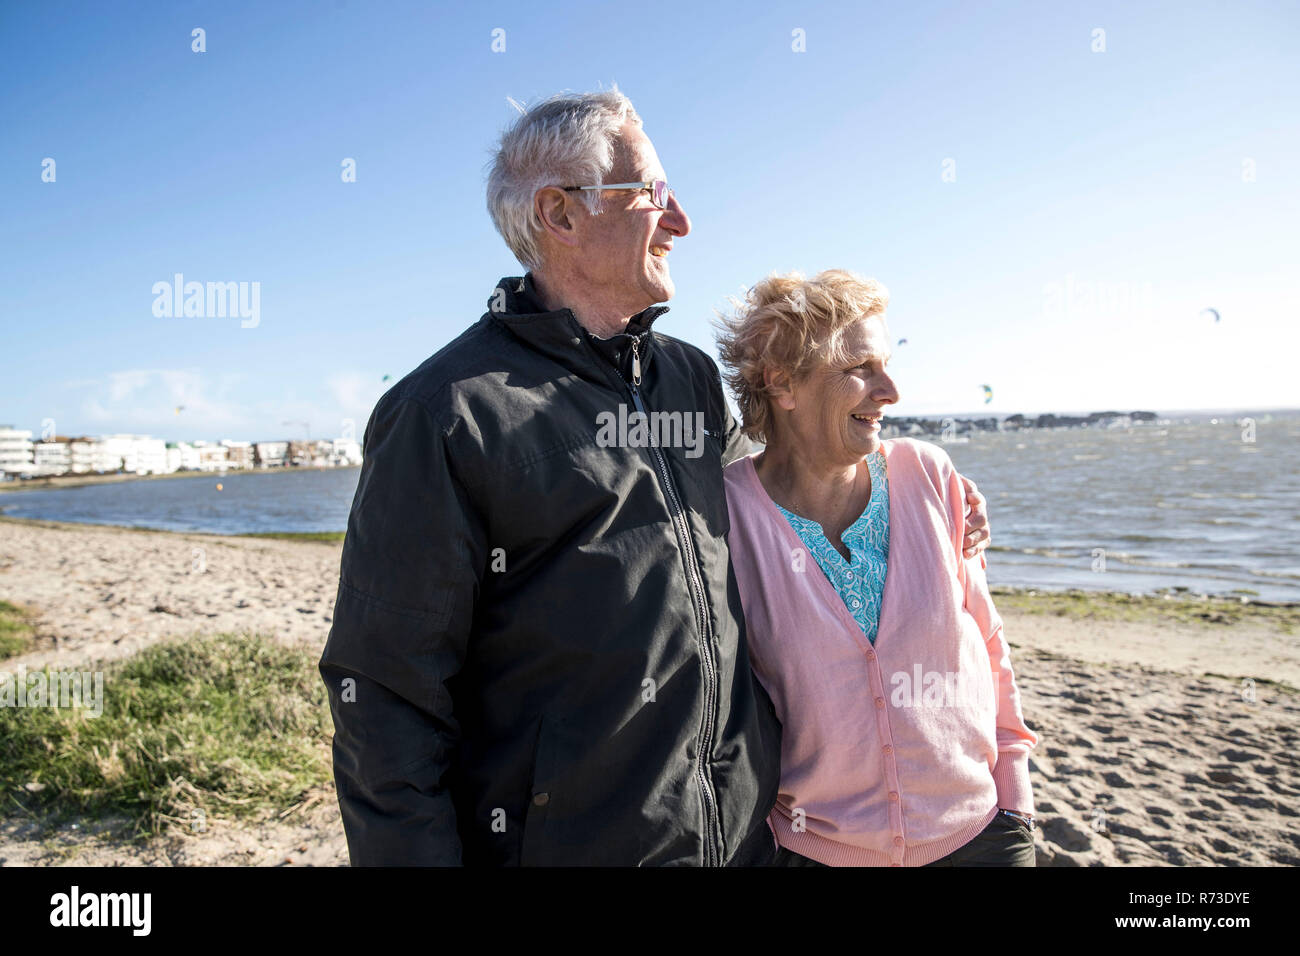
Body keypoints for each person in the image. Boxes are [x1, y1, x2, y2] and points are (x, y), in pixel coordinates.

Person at [318, 90, 992, 866]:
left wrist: (918, 488)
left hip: (743, 844)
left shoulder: (690, 380)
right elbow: (386, 697)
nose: (681, 221)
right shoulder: (445, 414)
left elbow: (787, 478)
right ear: (560, 215)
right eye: (652, 195)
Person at [716, 269, 1038, 866]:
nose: (890, 390)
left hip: (981, 836)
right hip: (814, 850)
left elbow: (990, 641)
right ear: (782, 383)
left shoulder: (929, 477)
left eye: (887, 364)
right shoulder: (724, 515)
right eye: (859, 368)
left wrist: (1015, 797)